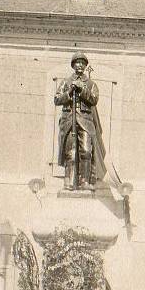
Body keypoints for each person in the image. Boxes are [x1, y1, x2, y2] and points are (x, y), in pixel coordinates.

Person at [55, 52, 100, 190]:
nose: (80, 65)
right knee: (70, 152)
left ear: (86, 66)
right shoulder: (66, 82)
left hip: (85, 120)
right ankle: (69, 181)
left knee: (86, 151)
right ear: (73, 65)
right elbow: (57, 99)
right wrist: (69, 92)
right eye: (77, 62)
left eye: (82, 63)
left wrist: (82, 89)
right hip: (69, 120)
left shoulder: (91, 84)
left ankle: (84, 181)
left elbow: (94, 100)